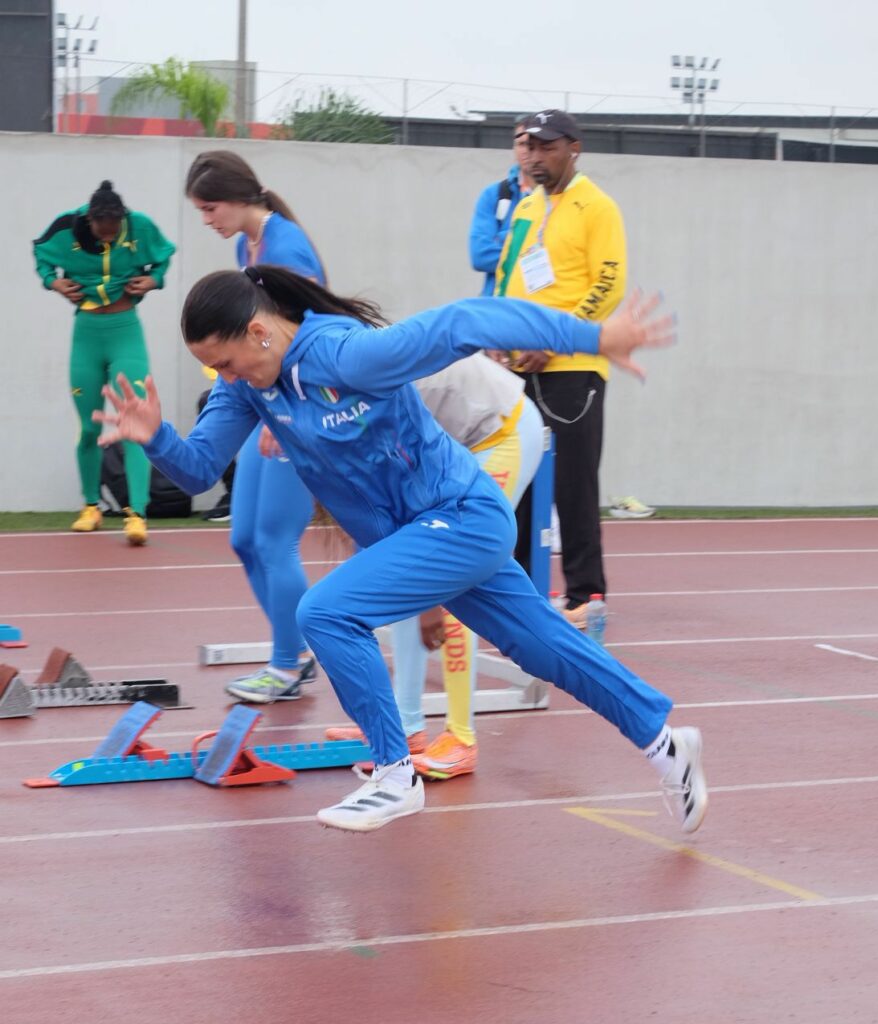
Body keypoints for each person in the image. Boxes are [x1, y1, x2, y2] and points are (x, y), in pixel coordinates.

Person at [94, 264, 707, 838]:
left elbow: (467, 321)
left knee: (326, 611)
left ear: (258, 332)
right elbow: (200, 468)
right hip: (422, 539)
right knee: (544, 648)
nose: (224, 379)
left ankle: (394, 774)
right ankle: (665, 742)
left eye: (226, 363)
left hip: (463, 515)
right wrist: (156, 437)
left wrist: (595, 335)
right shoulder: (251, 389)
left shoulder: (345, 353)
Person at [325, 353, 545, 779]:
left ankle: (461, 739)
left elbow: (411, 493)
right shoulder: (336, 400)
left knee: (455, 585)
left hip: (503, 434)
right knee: (405, 579)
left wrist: (431, 604)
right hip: (459, 440)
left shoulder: (373, 399)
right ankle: (407, 727)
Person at [495, 109, 649, 629]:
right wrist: (498, 334)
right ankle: (517, 591)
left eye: (547, 146)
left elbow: (608, 284)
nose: (536, 155)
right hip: (517, 365)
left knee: (573, 486)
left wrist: (555, 342)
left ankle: (586, 595)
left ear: (574, 147)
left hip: (572, 368)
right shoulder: (526, 206)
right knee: (517, 481)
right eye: (530, 147)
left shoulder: (597, 206)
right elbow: (507, 275)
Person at [185, 151, 327, 701]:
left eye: (210, 207)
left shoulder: (287, 247)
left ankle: (287, 666)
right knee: (244, 538)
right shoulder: (252, 244)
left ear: (241, 198)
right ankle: (298, 651)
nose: (206, 219)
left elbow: (309, 332)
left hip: (297, 409)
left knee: (274, 542)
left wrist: (292, 414)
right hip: (263, 404)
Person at [32, 180, 175, 545]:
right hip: (87, 334)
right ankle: (91, 507)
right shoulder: (67, 226)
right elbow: (41, 255)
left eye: (114, 230)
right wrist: (53, 283)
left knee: (133, 422)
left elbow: (163, 257)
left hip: (126, 331)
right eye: (102, 230)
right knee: (89, 427)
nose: (109, 237)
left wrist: (154, 280)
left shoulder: (139, 226)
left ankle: (137, 514)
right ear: (90, 220)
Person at [468, 115, 534, 296]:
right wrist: (532, 251)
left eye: (532, 144)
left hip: (540, 311)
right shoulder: (494, 195)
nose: (526, 150)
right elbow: (480, 256)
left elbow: (560, 259)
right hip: (495, 310)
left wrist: (502, 238)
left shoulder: (558, 199)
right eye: (520, 144)